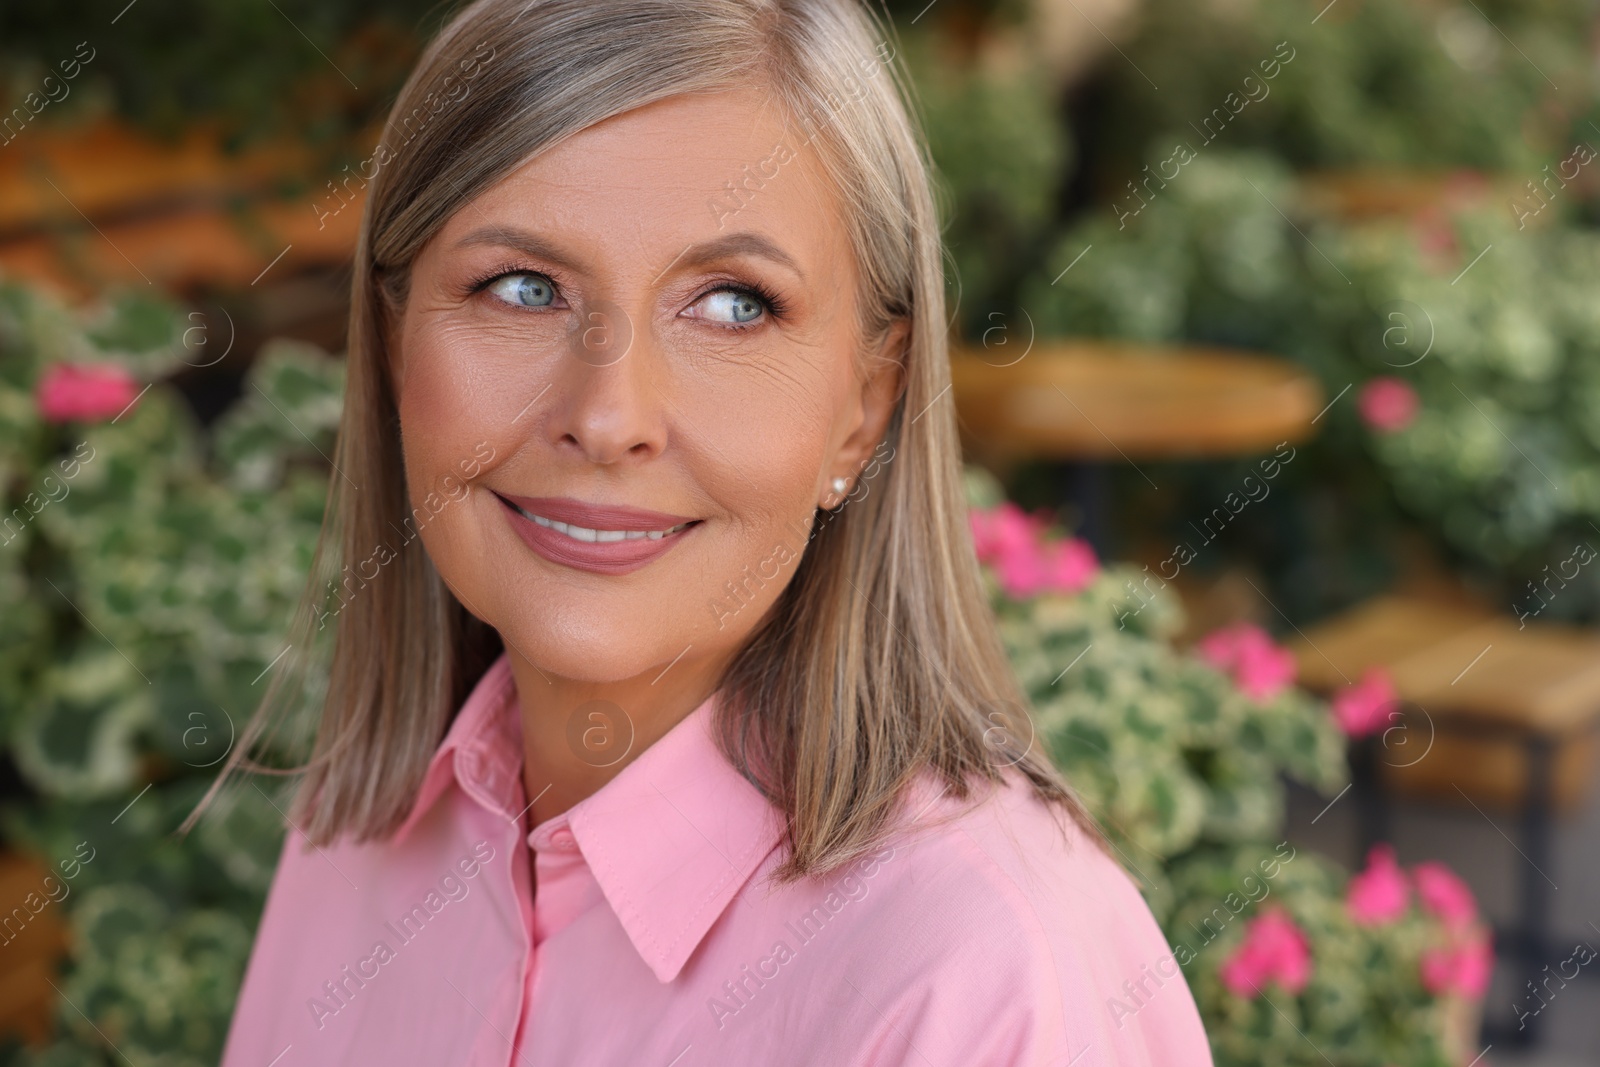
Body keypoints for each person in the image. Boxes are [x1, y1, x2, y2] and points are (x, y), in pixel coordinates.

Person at [205, 0, 1214, 1062]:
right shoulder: (356, 833)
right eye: (521, 287)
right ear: (393, 340)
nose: (606, 417)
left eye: (733, 304)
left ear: (865, 404)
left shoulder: (989, 980)